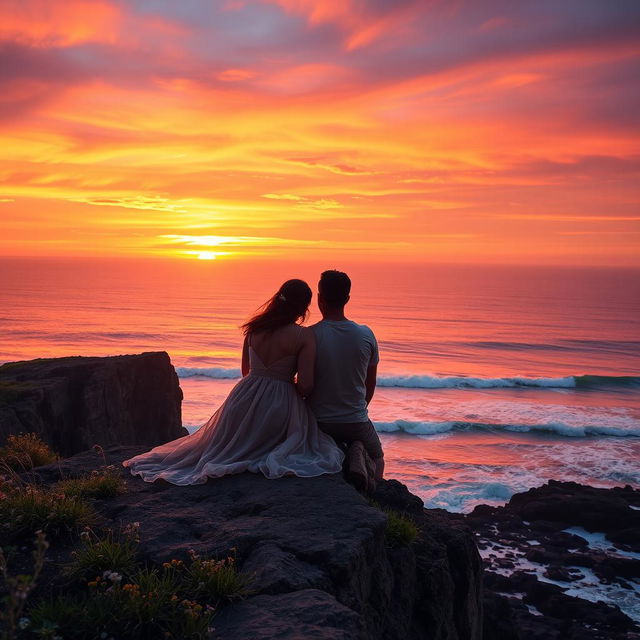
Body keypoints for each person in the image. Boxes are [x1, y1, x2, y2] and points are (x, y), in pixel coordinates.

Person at [123, 279, 344, 484]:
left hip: (242, 398)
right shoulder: (303, 336)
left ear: (278, 298)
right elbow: (306, 385)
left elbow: (246, 371)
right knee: (306, 448)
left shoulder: (254, 329)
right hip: (280, 403)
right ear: (304, 308)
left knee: (218, 447)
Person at [309, 270, 385, 479]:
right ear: (347, 299)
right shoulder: (366, 334)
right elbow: (370, 384)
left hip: (318, 421)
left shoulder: (309, 336)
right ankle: (371, 492)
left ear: (319, 299)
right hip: (355, 420)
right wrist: (353, 409)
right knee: (378, 457)